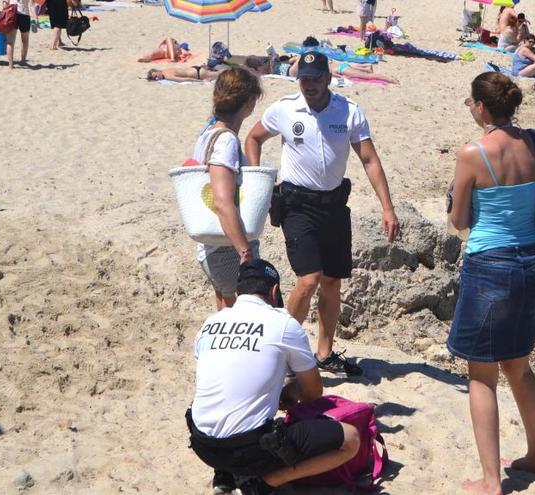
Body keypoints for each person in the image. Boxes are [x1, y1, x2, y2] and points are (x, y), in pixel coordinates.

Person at [244, 52, 400, 376]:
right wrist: (261, 179)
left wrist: (387, 207)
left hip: (334, 206)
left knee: (332, 282)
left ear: (328, 78)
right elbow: (253, 138)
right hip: (297, 205)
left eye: (315, 78)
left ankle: (324, 352)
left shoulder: (349, 111)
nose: (310, 85)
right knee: (308, 279)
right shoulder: (285, 108)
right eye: (304, 79)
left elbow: (369, 159)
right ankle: (281, 351)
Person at [449, 72, 535, 495]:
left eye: (470, 102)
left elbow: (459, 221)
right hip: (532, 263)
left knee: (481, 375)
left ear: (481, 106)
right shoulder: (532, 141)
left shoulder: (473, 152)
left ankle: (492, 482)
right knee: (519, 364)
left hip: (490, 265)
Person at [186, 258, 361, 495]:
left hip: (203, 446)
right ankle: (262, 485)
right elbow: (313, 393)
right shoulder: (283, 324)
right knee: (350, 439)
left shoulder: (211, 323)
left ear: (238, 292)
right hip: (249, 450)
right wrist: (289, 391)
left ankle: (224, 476)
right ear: (274, 291)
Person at [189, 68, 263, 310]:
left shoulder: (207, 134)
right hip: (225, 247)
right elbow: (222, 202)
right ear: (249, 103)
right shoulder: (226, 140)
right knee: (244, 310)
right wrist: (246, 255)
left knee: (225, 307)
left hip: (212, 246)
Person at [5, 0, 36, 68]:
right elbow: (31, 5)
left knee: (10, 41)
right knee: (25, 40)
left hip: (12, 13)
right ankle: (23, 61)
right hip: (24, 14)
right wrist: (35, 19)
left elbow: (6, 2)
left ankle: (10, 64)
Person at [145, 65, 224, 82]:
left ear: (157, 71)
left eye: (156, 76)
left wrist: (201, 81)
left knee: (219, 74)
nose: (157, 78)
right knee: (217, 73)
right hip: (195, 69)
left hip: (198, 74)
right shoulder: (166, 69)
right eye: (155, 78)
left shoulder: (167, 76)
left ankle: (234, 71)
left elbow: (185, 79)